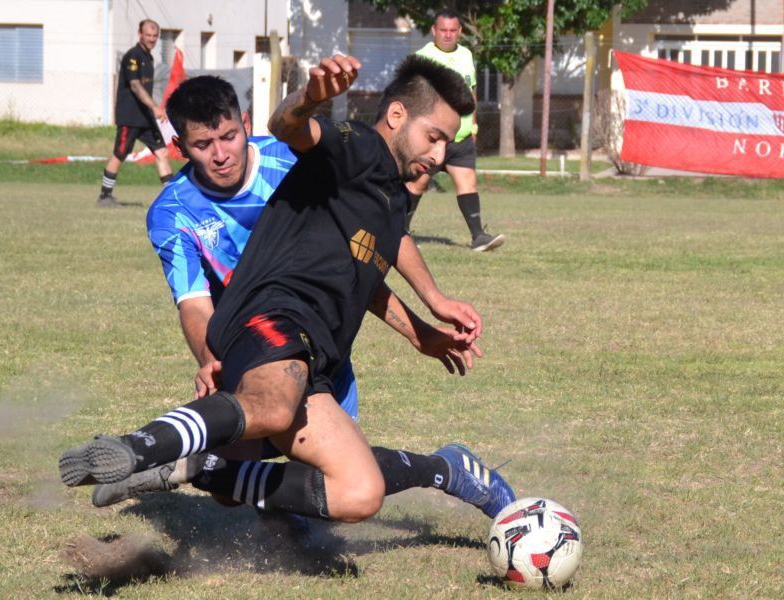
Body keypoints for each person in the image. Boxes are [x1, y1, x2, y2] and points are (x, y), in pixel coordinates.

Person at [60, 55, 515, 526]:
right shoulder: (333, 151)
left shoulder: (367, 188)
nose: (221, 153)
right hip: (265, 322)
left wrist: (427, 316)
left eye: (230, 136)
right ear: (180, 147)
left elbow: (366, 260)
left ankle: (200, 463)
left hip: (323, 346)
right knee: (273, 411)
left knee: (349, 492)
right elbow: (291, 125)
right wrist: (311, 98)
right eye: (204, 144)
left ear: (244, 125)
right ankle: (141, 446)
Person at [407, 8, 505, 252]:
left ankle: (478, 237)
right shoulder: (422, 58)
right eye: (443, 30)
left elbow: (471, 90)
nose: (448, 35)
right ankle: (399, 232)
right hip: (431, 139)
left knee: (468, 182)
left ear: (460, 32)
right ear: (433, 31)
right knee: (417, 184)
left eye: (453, 31)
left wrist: (473, 124)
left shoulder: (466, 55)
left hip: (460, 137)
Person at [97, 19, 173, 208]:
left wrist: (151, 110)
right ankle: (104, 196)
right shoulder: (133, 56)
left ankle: (173, 197)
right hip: (130, 116)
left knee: (162, 151)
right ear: (140, 34)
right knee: (120, 154)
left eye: (155, 36)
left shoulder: (149, 57)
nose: (152, 39)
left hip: (145, 118)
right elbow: (135, 85)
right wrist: (155, 107)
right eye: (148, 35)